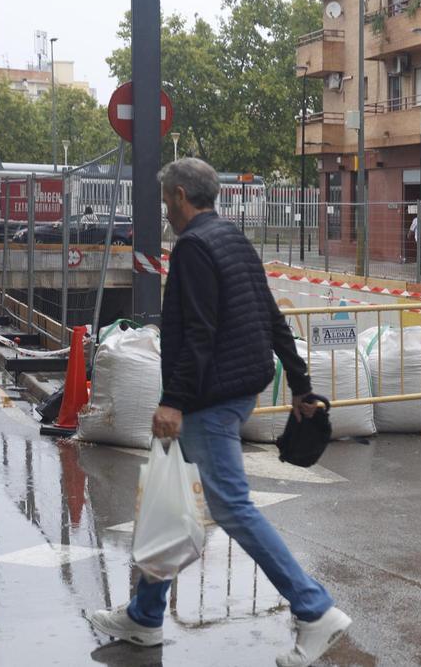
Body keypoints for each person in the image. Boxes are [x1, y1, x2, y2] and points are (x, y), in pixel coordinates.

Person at [89, 158, 350, 666]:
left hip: (209, 400)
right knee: (165, 498)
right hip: (237, 387)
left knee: (232, 508)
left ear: (181, 195)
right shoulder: (233, 239)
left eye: (167, 199)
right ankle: (144, 615)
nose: (166, 209)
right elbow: (271, 316)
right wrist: (300, 383)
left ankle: (315, 609)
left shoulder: (192, 248)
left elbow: (199, 333)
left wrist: (174, 401)